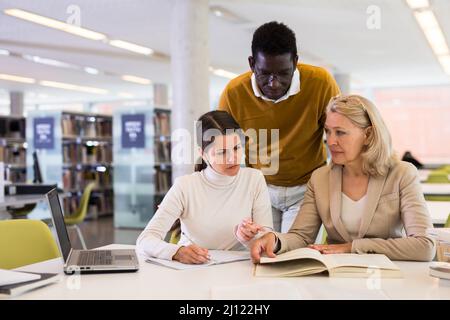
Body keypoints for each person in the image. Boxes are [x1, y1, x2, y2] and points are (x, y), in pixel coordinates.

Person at [250, 95, 436, 262]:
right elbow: (301, 237)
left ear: (368, 135)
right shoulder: (320, 178)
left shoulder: (402, 174)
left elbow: (425, 246)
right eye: (328, 131)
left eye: (340, 132)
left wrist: (352, 248)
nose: (331, 141)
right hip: (335, 276)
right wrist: (275, 240)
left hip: (386, 277)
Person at [218, 21, 340, 233]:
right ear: (251, 64)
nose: (274, 83)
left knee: (292, 256)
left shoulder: (321, 83)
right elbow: (219, 149)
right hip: (260, 188)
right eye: (264, 73)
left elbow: (340, 135)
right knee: (263, 253)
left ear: (295, 62)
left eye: (284, 73)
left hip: (306, 188)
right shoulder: (234, 92)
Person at [136, 111, 273, 264]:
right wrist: (176, 252)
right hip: (193, 271)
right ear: (203, 154)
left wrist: (247, 238)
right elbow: (145, 240)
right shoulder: (185, 186)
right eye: (221, 152)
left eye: (236, 148)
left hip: (239, 269)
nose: (232, 158)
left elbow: (267, 240)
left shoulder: (254, 179)